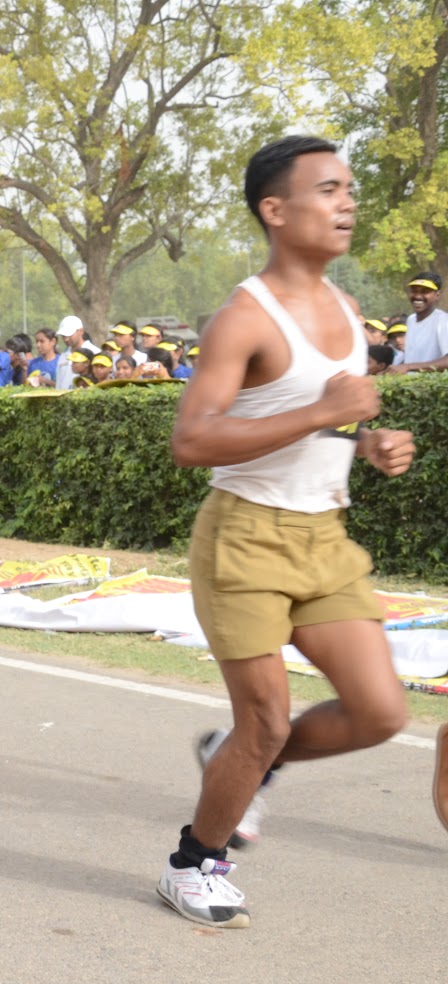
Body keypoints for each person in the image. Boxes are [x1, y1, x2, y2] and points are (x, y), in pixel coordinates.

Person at [161, 134, 414, 929]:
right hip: (244, 539)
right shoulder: (243, 319)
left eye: (349, 190)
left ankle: (239, 763)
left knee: (380, 713)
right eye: (329, 190)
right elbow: (191, 440)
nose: (348, 203)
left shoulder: (345, 309)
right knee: (265, 720)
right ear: (275, 210)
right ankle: (193, 865)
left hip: (325, 538)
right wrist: (323, 412)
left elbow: (325, 422)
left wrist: (367, 444)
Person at [386, 270, 448, 374]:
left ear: (437, 295)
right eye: (414, 291)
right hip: (412, 383)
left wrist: (408, 367)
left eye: (425, 291)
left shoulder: (443, 320)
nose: (418, 296)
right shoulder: (411, 320)